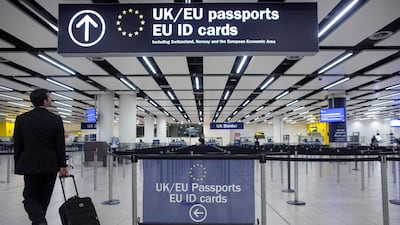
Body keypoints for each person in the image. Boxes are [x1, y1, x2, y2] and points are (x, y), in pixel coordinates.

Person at [13, 89, 69, 225]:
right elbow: (60, 145)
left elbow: (18, 144)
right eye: (50, 97)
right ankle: (40, 221)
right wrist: (63, 165)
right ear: (45, 101)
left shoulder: (22, 119)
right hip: (50, 165)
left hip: (30, 165)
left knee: (30, 197)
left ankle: (39, 222)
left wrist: (18, 163)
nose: (51, 100)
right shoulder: (55, 119)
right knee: (44, 198)